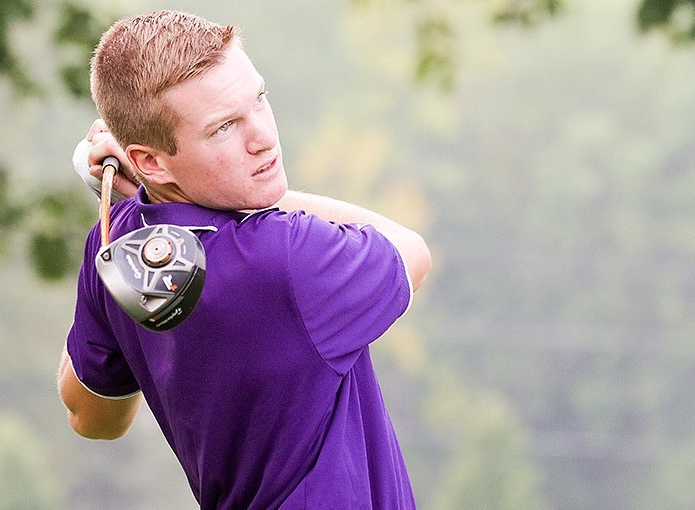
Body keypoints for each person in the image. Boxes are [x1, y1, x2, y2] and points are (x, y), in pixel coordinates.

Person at [58, 10, 431, 509]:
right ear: (148, 159)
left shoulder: (116, 247)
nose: (263, 138)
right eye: (225, 127)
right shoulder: (287, 257)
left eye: (259, 99)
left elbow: (93, 417)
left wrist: (130, 204)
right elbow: (410, 251)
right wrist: (266, 203)